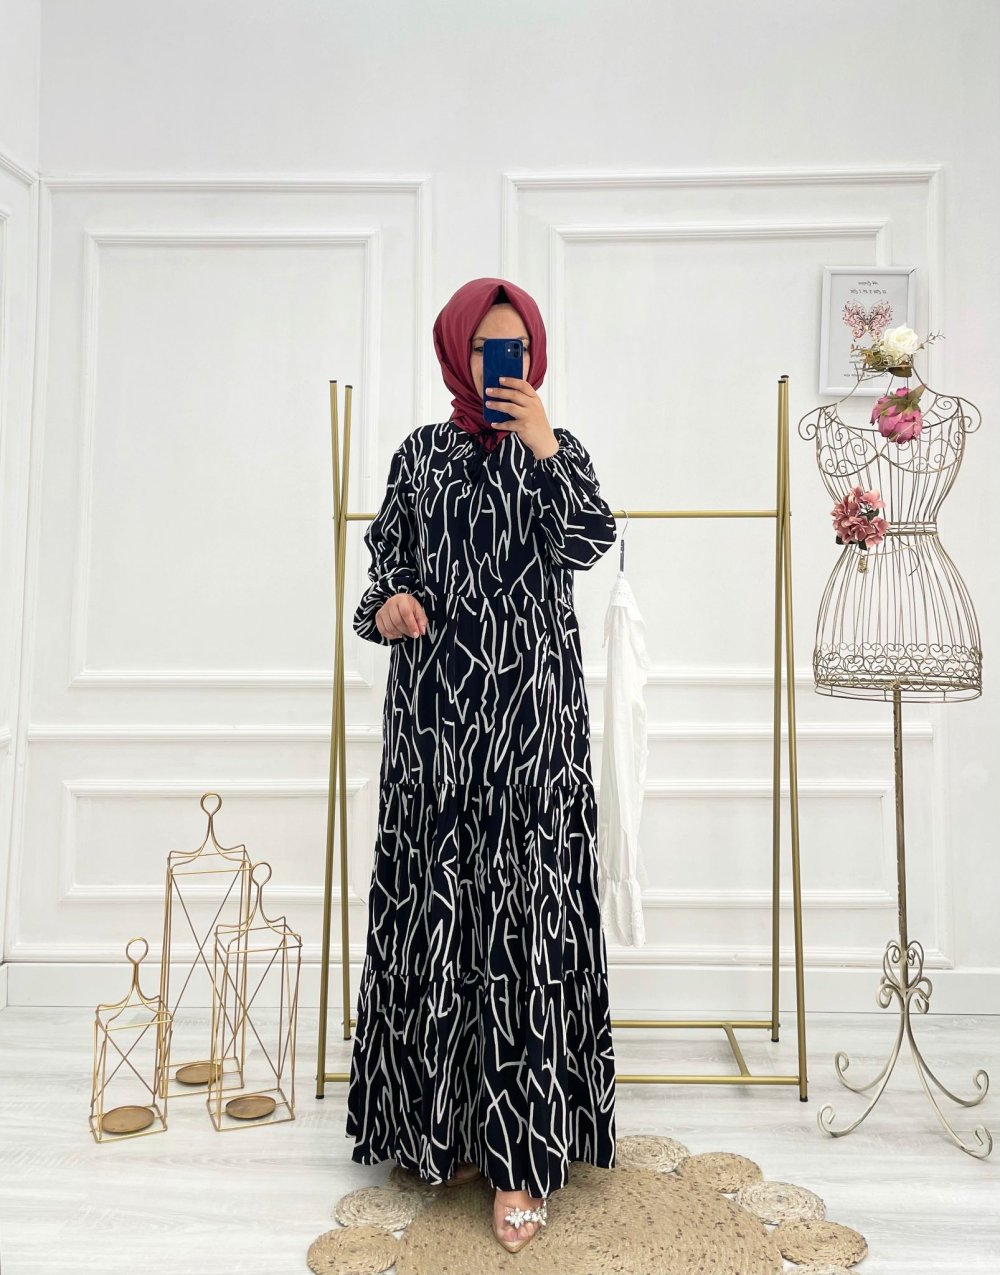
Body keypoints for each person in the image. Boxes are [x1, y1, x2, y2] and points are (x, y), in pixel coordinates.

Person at [344, 276, 618, 1253]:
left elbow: (590, 540)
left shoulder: (558, 451)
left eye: (516, 349)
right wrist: (388, 607)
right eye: (483, 349)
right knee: (439, 915)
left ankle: (521, 1159)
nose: (500, 365)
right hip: (434, 728)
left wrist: (544, 446)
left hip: (532, 733)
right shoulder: (420, 455)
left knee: (522, 931)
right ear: (455, 352)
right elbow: (384, 570)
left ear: (535, 354)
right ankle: (447, 1130)